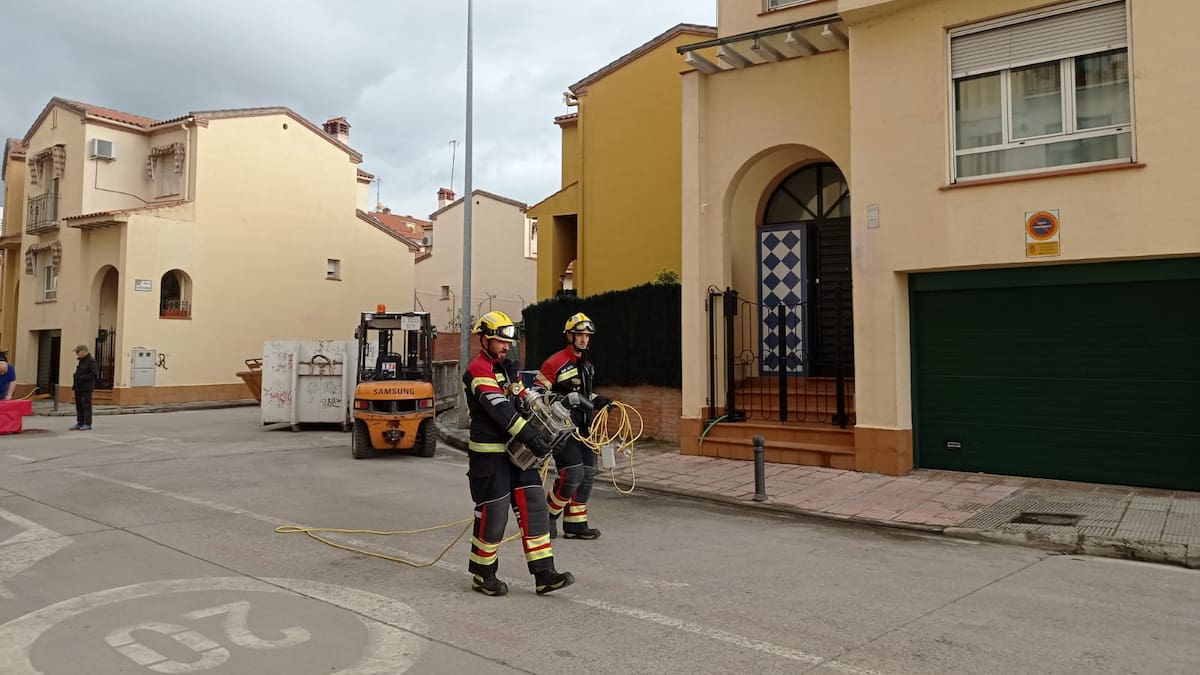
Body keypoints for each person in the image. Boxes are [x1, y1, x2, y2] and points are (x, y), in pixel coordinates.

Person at [462, 310, 574, 597]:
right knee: (494, 514)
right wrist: (531, 436)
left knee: (535, 506)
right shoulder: (478, 370)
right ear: (484, 340)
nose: (505, 347)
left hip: (519, 453)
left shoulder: (508, 370)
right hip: (490, 456)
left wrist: (552, 428)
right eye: (500, 341)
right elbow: (500, 409)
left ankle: (544, 574)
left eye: (507, 342)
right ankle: (483, 575)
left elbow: (528, 399)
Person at [536, 312, 612, 540]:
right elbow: (538, 393)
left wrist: (599, 401)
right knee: (572, 474)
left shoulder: (586, 365)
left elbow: (584, 395)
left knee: (587, 475)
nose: (583, 339)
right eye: (579, 335)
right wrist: (563, 400)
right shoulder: (554, 362)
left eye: (587, 336)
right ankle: (548, 515)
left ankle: (575, 524)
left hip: (584, 430)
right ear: (569, 336)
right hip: (563, 429)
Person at [72, 344, 99, 431]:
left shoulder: (91, 361)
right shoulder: (81, 361)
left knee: (86, 405)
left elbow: (95, 374)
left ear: (84, 351)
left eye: (77, 352)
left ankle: (87, 423)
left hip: (86, 388)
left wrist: (82, 378)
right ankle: (80, 422)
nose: (76, 354)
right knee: (79, 406)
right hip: (78, 387)